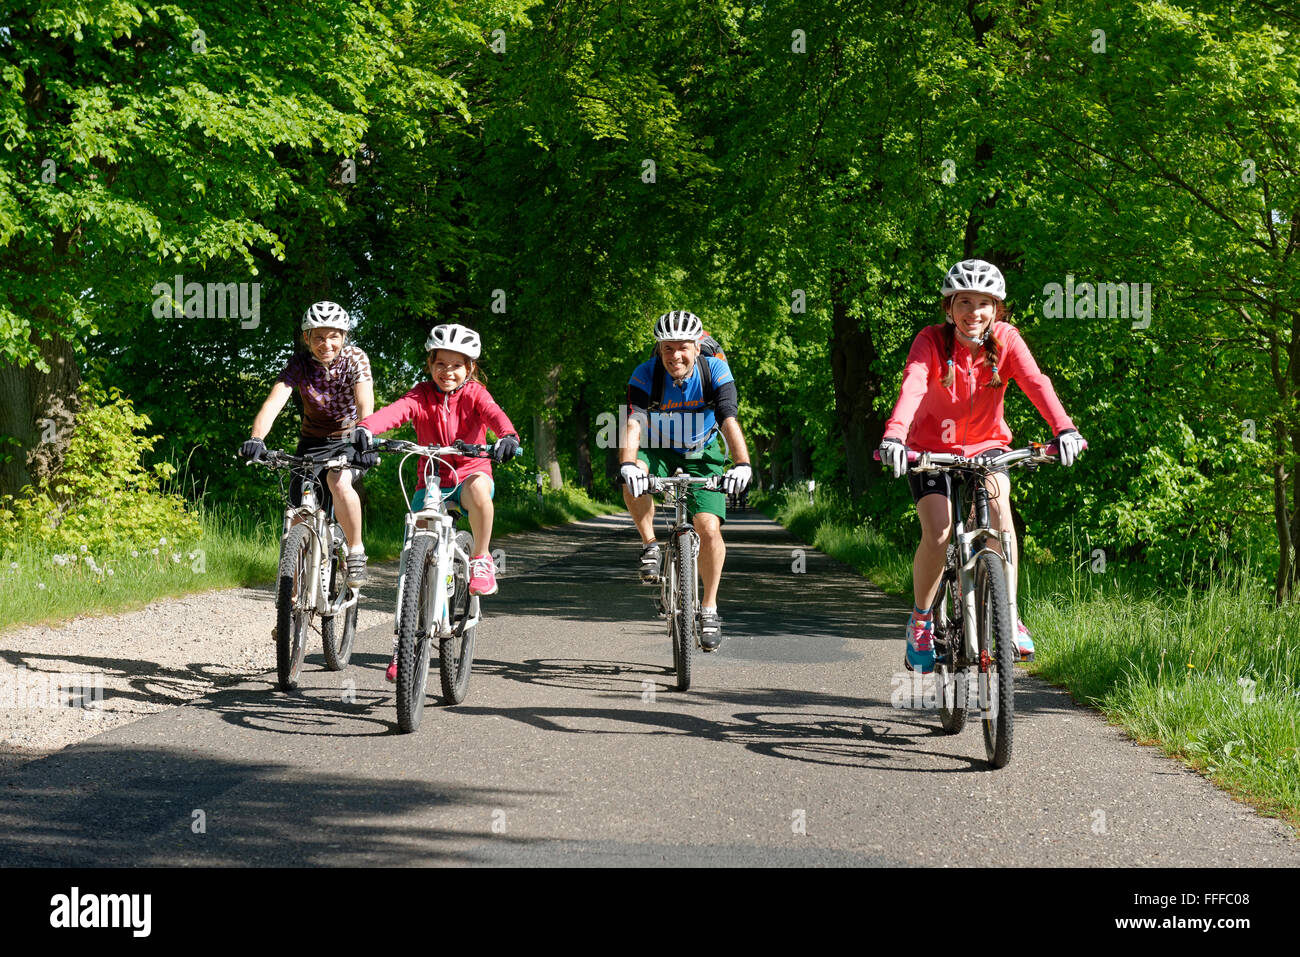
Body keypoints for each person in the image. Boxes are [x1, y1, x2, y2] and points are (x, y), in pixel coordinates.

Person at [878, 260, 1084, 673]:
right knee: (938, 531)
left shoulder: (1007, 340)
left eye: (985, 303)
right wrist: (895, 436)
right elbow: (914, 382)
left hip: (988, 447)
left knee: (1001, 520)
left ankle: (1008, 615)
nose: (975, 312)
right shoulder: (931, 341)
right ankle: (920, 620)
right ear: (949, 307)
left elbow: (1035, 382)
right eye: (965, 302)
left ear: (998, 308)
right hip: (929, 450)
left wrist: (1064, 429)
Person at [352, 323, 521, 682]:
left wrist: (507, 435)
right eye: (440, 364)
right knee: (413, 552)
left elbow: (495, 415)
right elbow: (394, 412)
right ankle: (405, 643)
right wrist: (367, 428)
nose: (448, 371)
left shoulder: (476, 394)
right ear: (430, 364)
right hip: (430, 480)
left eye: (457, 365)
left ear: (470, 368)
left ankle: (480, 558)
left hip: (470, 472)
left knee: (478, 491)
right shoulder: (421, 395)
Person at [619, 310, 753, 650]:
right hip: (660, 447)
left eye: (682, 347)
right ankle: (650, 544)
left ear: (696, 346)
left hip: (702, 450)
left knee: (708, 528)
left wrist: (742, 464)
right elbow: (634, 421)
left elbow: (727, 418)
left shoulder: (715, 370)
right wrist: (628, 464)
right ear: (659, 349)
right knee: (633, 475)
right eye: (667, 348)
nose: (674, 355)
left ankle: (708, 608)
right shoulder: (645, 374)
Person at [240, 300, 373, 587]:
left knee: (339, 482)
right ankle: (289, 603)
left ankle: (356, 552)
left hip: (350, 440)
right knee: (299, 515)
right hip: (311, 444)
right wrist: (256, 438)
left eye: (333, 336)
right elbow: (274, 402)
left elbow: (365, 401)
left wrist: (366, 432)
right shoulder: (299, 364)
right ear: (307, 338)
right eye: (319, 337)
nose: (327, 343)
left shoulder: (355, 358)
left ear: (344, 336)